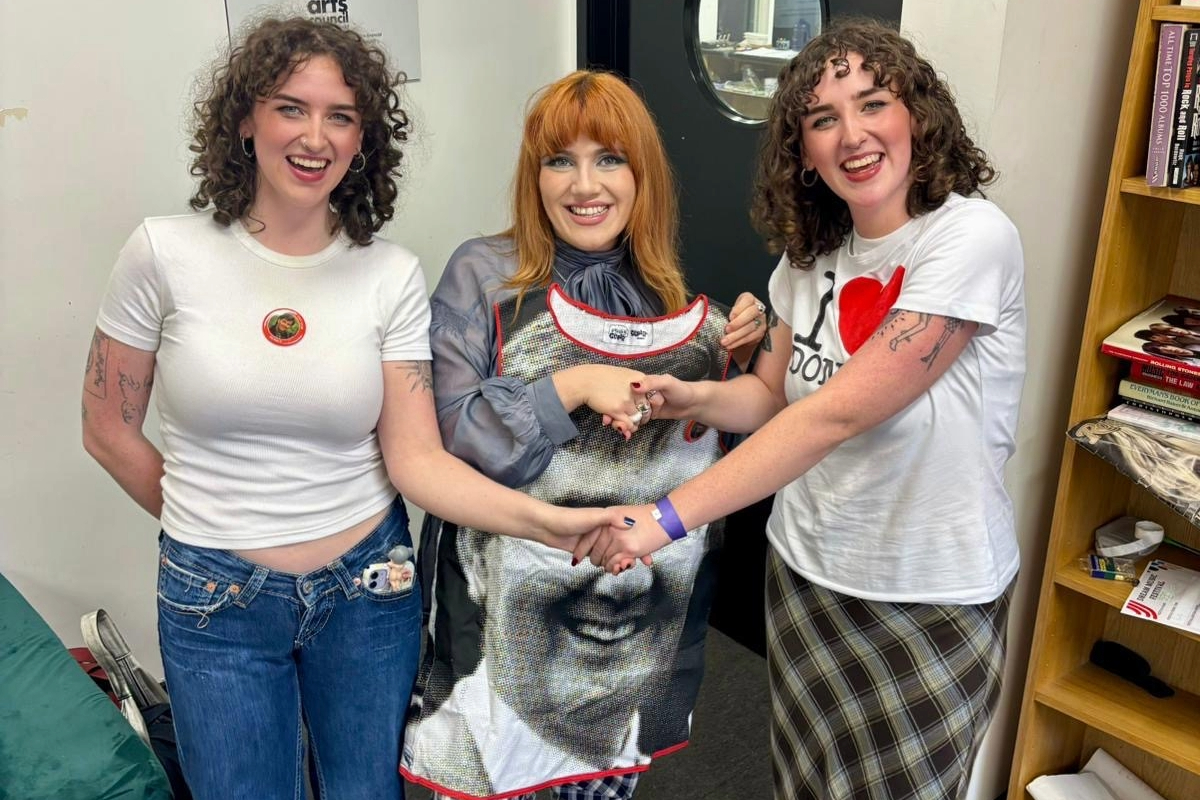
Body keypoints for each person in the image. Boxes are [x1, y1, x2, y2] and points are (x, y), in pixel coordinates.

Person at [80, 18, 611, 800]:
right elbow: (107, 430)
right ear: (244, 119)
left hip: (368, 590)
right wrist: (214, 524)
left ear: (363, 138)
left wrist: (546, 523)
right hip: (215, 601)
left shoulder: (388, 274)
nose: (314, 137)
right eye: (290, 108)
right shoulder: (162, 253)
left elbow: (417, 458)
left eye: (341, 116)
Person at [581, 19, 1026, 800]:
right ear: (803, 150)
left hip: (926, 592)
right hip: (808, 571)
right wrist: (686, 398)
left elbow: (834, 416)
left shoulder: (970, 239)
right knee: (803, 784)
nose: (852, 135)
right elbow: (772, 395)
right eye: (823, 119)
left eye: (873, 103)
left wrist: (661, 520)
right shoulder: (810, 255)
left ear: (918, 115)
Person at [400, 70, 767, 800]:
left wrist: (740, 346)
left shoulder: (661, 288)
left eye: (610, 159)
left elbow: (726, 431)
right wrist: (570, 387)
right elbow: (446, 434)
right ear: (533, 177)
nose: (584, 185)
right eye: (560, 161)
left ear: (642, 174)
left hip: (628, 615)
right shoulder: (485, 276)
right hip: (508, 621)